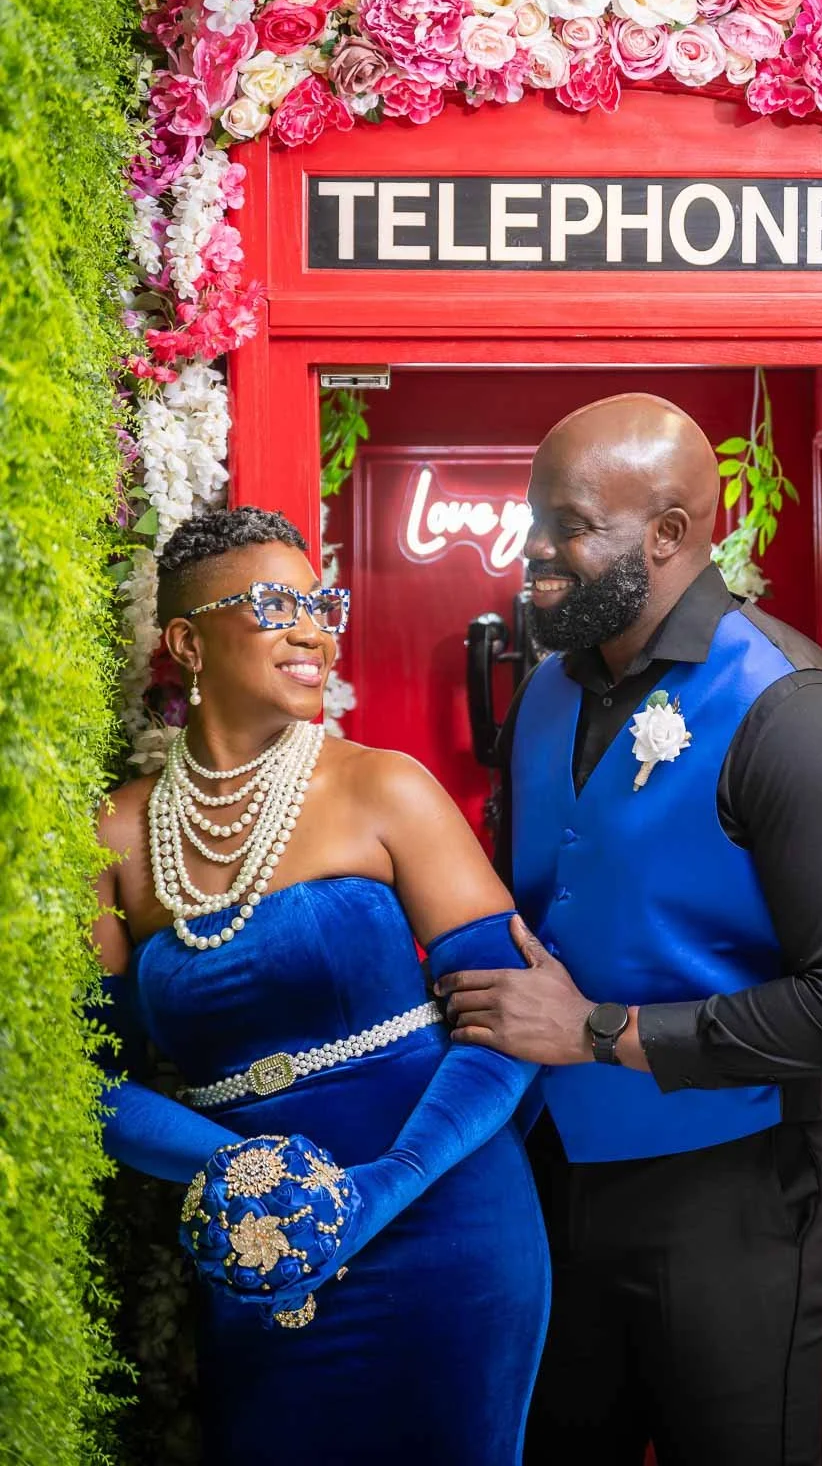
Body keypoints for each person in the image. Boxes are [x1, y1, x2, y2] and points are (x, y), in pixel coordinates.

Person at [436, 393, 822, 1466]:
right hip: (557, 1174)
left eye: (568, 523)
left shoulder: (793, 710)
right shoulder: (552, 686)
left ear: (668, 534)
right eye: (532, 519)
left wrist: (600, 1032)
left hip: (743, 1190)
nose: (536, 552)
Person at [92, 506, 549, 1466]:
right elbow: (90, 1078)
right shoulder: (118, 839)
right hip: (264, 1243)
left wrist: (378, 1191)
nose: (313, 629)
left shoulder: (387, 788)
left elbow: (509, 1022)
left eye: (320, 602)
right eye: (274, 604)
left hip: (442, 1223)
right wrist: (248, 1181)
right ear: (186, 641)